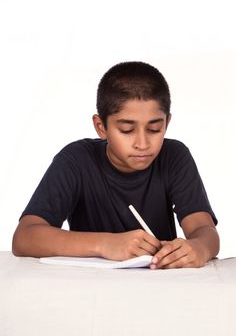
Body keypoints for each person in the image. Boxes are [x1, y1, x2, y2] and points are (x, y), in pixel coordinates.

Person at [12, 61, 220, 269]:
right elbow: (24, 237)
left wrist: (198, 248)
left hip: (158, 288)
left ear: (167, 123)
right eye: (127, 130)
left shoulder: (174, 156)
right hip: (87, 290)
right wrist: (105, 244)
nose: (142, 144)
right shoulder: (75, 160)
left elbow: (203, 229)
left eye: (155, 129)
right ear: (101, 127)